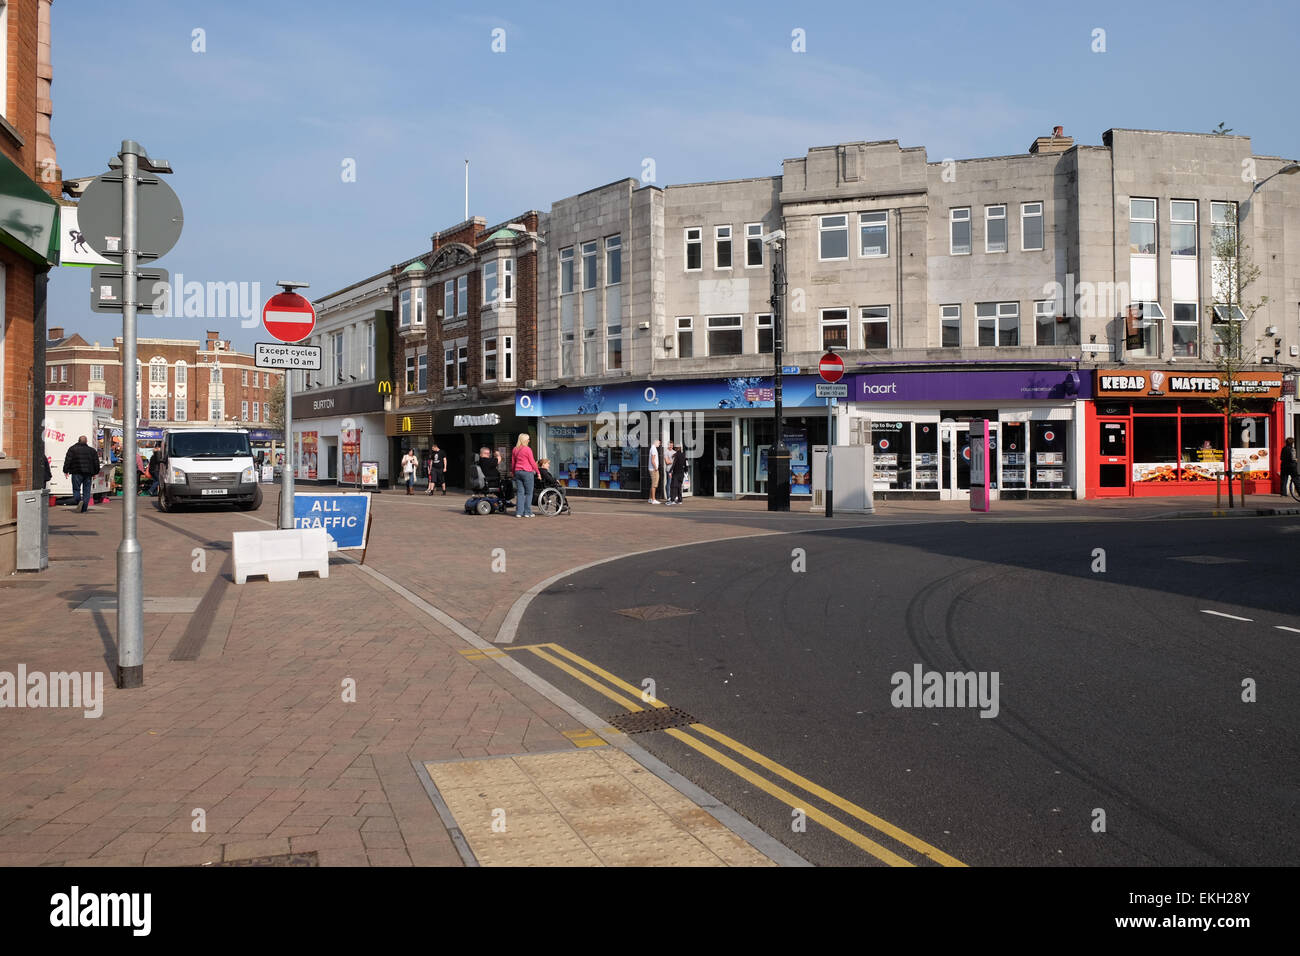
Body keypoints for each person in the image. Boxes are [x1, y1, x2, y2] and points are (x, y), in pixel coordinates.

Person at [63, 435, 101, 513]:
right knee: (86, 491)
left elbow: (67, 461)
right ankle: (84, 509)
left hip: (76, 472)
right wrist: (95, 472)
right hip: (88, 473)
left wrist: (65, 470)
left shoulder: (72, 449)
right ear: (86, 441)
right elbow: (96, 463)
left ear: (78, 440)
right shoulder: (92, 451)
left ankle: (78, 501)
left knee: (76, 489)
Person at [510, 433, 541, 518]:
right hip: (527, 472)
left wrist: (513, 472)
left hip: (518, 472)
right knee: (529, 493)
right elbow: (532, 462)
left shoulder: (515, 449)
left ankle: (519, 512)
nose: (529, 441)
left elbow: (513, 463)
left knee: (520, 493)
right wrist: (538, 472)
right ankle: (527, 512)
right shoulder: (527, 449)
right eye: (528, 439)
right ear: (524, 440)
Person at [668, 440, 687, 506]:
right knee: (679, 487)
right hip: (681, 474)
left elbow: (673, 464)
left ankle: (672, 500)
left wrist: (670, 471)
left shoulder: (676, 455)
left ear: (676, 448)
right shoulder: (683, 455)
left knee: (673, 486)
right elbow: (685, 464)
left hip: (676, 474)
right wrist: (686, 472)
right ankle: (680, 500)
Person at [648, 438, 662, 504]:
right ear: (656, 442)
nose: (659, 444)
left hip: (652, 468)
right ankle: (653, 499)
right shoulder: (653, 449)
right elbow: (653, 460)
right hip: (654, 469)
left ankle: (650, 498)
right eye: (659, 443)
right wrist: (656, 468)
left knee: (652, 484)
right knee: (654, 484)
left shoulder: (652, 448)